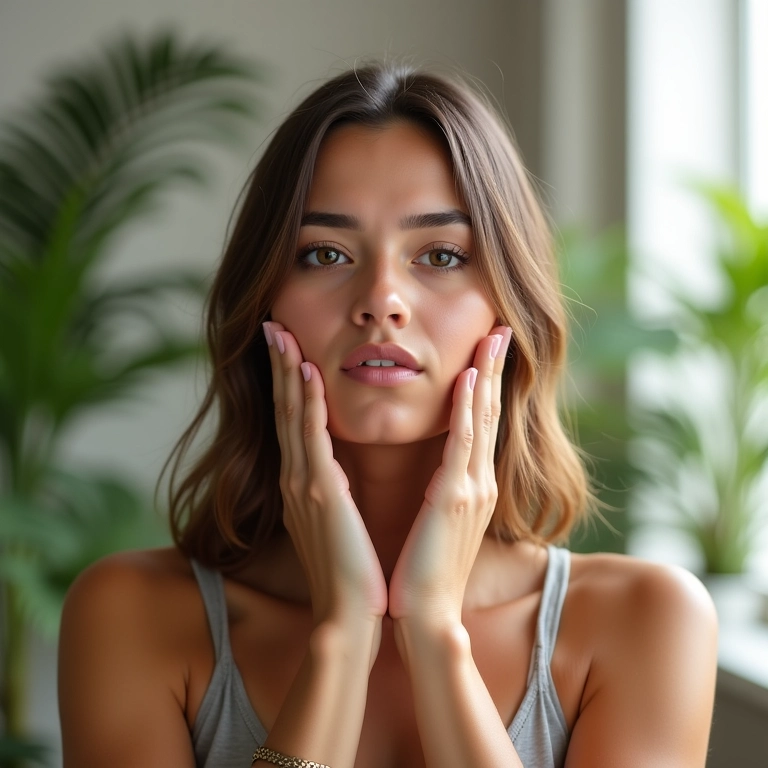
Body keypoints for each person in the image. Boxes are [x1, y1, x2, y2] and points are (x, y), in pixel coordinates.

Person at [58, 63, 718, 768]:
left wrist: (435, 633)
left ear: (509, 304)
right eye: (325, 253)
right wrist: (340, 640)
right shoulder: (131, 615)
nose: (382, 299)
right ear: (264, 305)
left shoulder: (647, 621)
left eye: (439, 254)